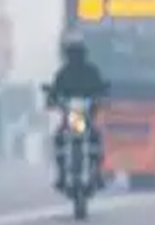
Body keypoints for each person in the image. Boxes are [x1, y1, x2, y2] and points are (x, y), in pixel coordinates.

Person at [46, 32, 108, 191]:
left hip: (87, 115)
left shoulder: (91, 71)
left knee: (97, 139)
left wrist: (100, 98)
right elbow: (54, 91)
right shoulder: (63, 73)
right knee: (59, 139)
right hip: (70, 116)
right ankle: (61, 174)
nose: (75, 56)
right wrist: (52, 100)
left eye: (77, 52)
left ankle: (97, 173)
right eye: (73, 53)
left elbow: (101, 88)